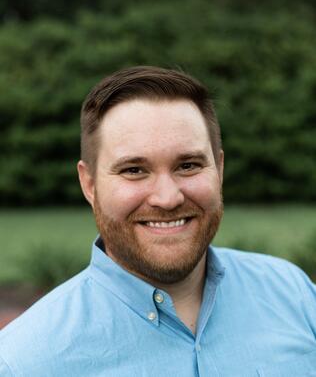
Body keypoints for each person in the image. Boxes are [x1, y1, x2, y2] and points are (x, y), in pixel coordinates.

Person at [0, 66, 315, 376]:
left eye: (188, 165)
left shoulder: (295, 296)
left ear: (219, 170)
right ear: (90, 184)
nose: (168, 198)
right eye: (134, 170)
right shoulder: (24, 362)